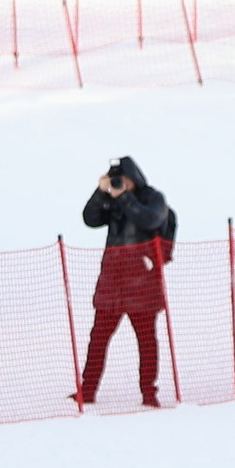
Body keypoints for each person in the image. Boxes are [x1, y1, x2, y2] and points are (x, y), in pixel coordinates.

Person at [76, 156, 176, 408]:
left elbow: (149, 219)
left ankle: (148, 393)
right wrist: (100, 192)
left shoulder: (153, 198)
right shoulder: (113, 200)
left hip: (142, 283)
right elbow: (90, 218)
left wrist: (123, 196)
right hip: (112, 280)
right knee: (98, 338)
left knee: (146, 340)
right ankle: (86, 392)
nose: (120, 183)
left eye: (124, 178)